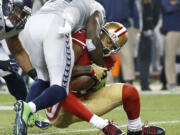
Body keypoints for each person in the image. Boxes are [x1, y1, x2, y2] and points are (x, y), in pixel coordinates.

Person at [13, 0, 125, 135]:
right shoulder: (97, 9)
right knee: (60, 87)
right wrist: (97, 67)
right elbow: (91, 42)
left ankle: (25, 117)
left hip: (33, 23)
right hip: (56, 24)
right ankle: (28, 108)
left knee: (44, 78)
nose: (109, 46)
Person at [45, 23, 165, 135]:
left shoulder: (110, 58)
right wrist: (89, 69)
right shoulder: (80, 39)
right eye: (108, 41)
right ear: (100, 33)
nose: (108, 47)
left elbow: (92, 85)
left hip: (84, 99)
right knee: (68, 86)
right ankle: (104, 125)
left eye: (113, 46)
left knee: (130, 91)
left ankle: (136, 130)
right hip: (60, 107)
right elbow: (59, 73)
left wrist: (95, 80)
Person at [0, 0, 51, 130]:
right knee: (6, 67)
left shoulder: (15, 23)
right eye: (17, 11)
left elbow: (18, 51)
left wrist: (36, 76)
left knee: (10, 72)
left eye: (23, 14)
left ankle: (27, 112)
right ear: (8, 6)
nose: (19, 17)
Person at [96, 0, 140, 84]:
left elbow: (134, 7)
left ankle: (129, 80)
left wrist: (137, 25)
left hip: (124, 25)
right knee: (107, 56)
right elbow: (95, 8)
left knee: (127, 55)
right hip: (106, 26)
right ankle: (107, 82)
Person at [157, 0, 180, 90]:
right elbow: (167, 8)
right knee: (170, 58)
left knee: (170, 58)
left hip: (174, 29)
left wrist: (176, 3)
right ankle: (172, 82)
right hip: (170, 30)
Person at [138, 0, 160, 91]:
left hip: (146, 34)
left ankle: (144, 83)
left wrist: (151, 27)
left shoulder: (152, 3)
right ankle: (144, 83)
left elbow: (156, 16)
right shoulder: (139, 4)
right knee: (142, 59)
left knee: (146, 59)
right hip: (138, 33)